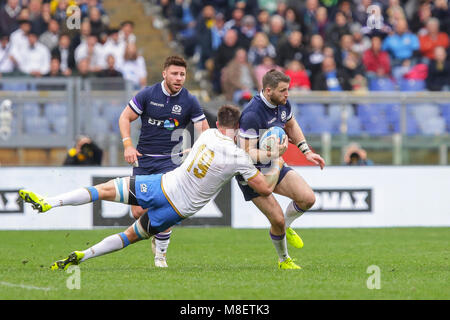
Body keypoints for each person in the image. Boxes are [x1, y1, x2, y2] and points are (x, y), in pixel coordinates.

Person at [18, 105, 290, 270]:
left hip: (160, 185)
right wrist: (274, 159)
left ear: (217, 124)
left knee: (102, 190)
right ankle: (83, 256)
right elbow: (264, 188)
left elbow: (212, 148)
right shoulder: (239, 158)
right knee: (128, 237)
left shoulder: (206, 135)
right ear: (239, 127)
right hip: (175, 210)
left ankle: (49, 202)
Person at [118, 55, 209, 268]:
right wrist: (128, 145)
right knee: (138, 211)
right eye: (175, 74)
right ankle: (155, 231)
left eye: (182, 74)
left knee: (165, 207)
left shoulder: (189, 100)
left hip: (170, 162)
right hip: (144, 160)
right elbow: (124, 117)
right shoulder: (148, 94)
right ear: (164, 74)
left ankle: (160, 256)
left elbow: (205, 132)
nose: (179, 78)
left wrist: (197, 149)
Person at [237, 69, 325, 270]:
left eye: (288, 90)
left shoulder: (283, 103)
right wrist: (272, 154)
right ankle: (284, 259)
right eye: (283, 90)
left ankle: (286, 226)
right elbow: (246, 153)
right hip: (251, 172)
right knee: (276, 219)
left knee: (307, 198)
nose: (287, 94)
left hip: (273, 161)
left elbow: (292, 125)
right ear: (268, 91)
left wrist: (306, 151)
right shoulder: (252, 114)